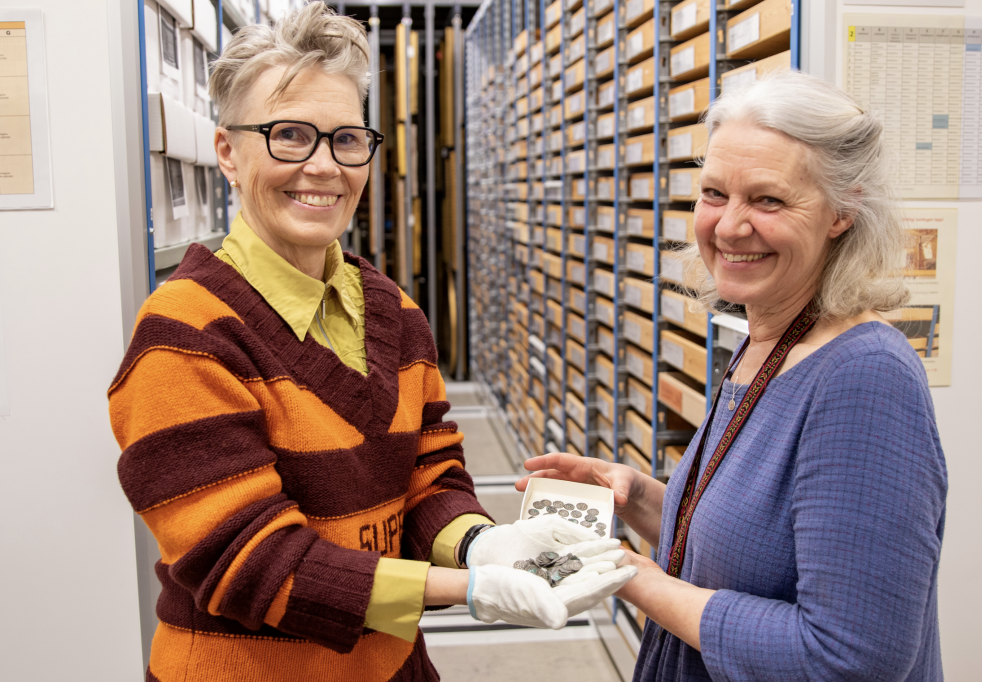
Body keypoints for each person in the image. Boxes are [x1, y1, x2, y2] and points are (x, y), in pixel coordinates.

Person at [108, 4, 634, 681]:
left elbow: (428, 477)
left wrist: (480, 544)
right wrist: (462, 588)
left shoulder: (392, 312)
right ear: (227, 153)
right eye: (289, 135)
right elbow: (250, 564)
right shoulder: (184, 338)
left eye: (347, 140)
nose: (324, 167)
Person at [519, 70, 947, 681]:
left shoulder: (864, 380)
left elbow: (851, 660)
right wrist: (642, 498)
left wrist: (629, 575)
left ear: (842, 211)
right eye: (715, 194)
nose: (728, 226)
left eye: (768, 199)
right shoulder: (768, 341)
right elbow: (759, 551)